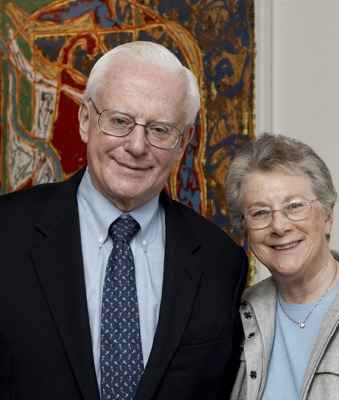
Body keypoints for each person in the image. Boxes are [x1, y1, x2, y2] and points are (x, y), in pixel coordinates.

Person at [0, 41, 248, 400]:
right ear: (86, 119)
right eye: (119, 121)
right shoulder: (7, 234)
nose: (136, 146)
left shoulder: (220, 262)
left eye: (160, 129)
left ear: (184, 141)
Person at [225, 133, 339, 400]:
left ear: (328, 216)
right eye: (260, 212)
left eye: (294, 207)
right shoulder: (237, 315)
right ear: (245, 228)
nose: (279, 226)